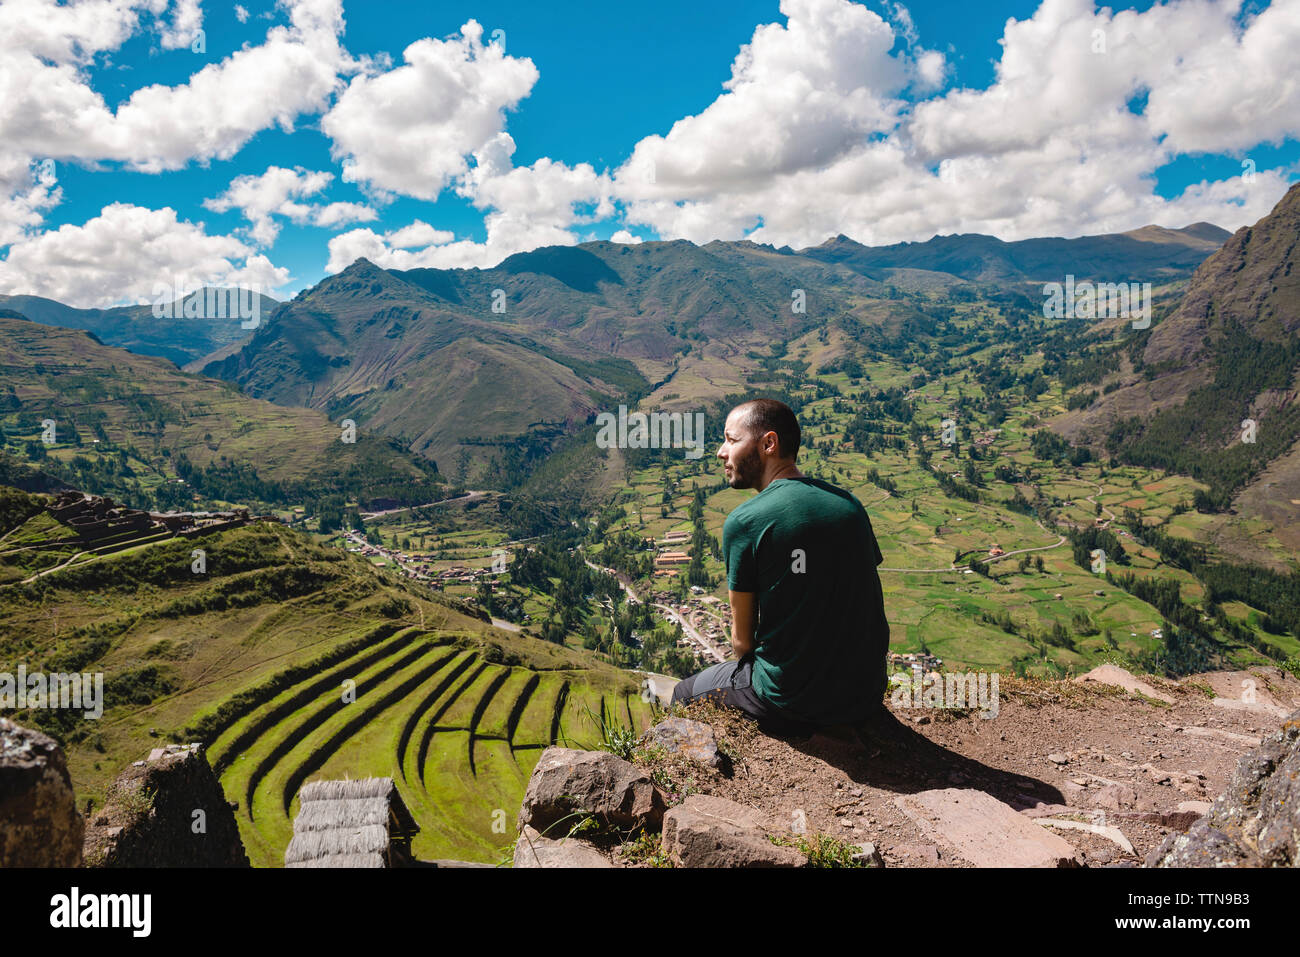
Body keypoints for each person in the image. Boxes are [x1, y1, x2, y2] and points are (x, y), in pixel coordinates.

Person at [670, 398, 890, 734]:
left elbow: (743, 643)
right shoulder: (850, 505)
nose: (721, 452)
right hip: (865, 694)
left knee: (682, 693)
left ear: (768, 443)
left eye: (731, 440)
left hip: (794, 700)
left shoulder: (746, 521)